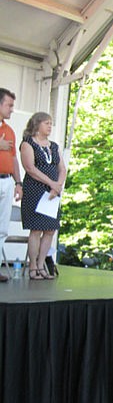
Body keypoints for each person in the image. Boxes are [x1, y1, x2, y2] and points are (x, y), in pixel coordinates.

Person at [19, 112, 65, 281]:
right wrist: (51, 183)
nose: (50, 126)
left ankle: (41, 265)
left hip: (52, 194)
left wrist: (57, 185)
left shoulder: (53, 146)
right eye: (47, 123)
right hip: (35, 190)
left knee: (50, 230)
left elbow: (62, 168)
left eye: (51, 123)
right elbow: (30, 168)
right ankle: (32, 267)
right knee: (36, 229)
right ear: (37, 125)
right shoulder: (28, 144)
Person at [0, 88, 23, 283]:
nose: (12, 109)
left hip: (6, 180)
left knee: (2, 227)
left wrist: (18, 182)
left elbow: (14, 158)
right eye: (9, 105)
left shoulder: (9, 130)